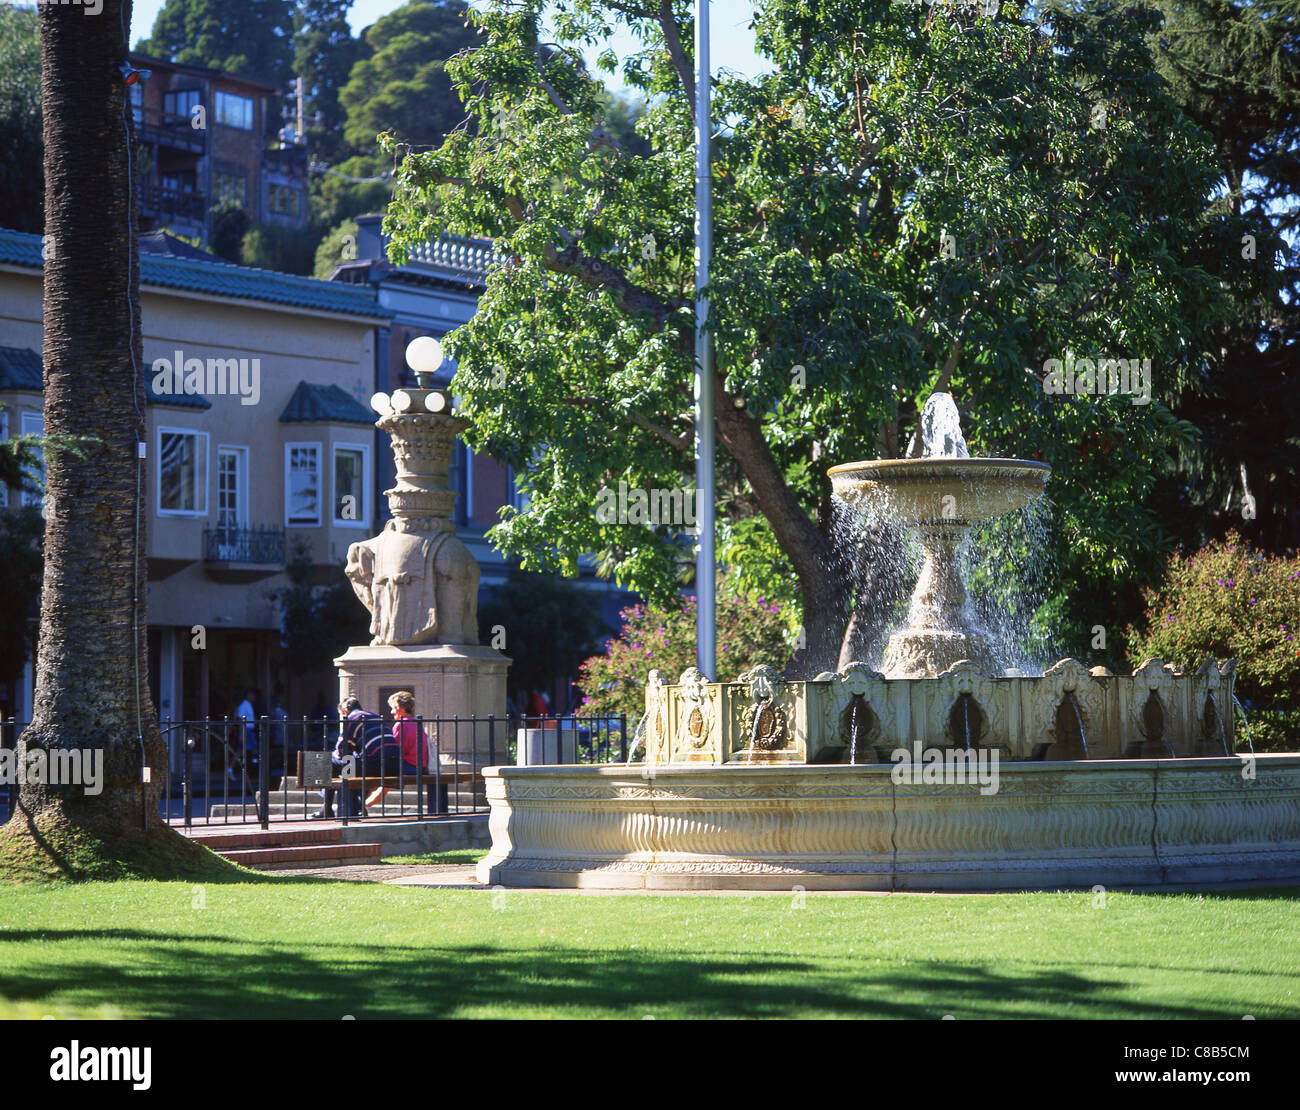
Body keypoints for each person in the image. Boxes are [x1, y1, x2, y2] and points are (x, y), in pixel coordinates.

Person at [310, 696, 385, 819]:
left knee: (325, 761)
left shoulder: (352, 719)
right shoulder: (375, 717)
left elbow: (341, 750)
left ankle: (327, 808)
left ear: (344, 712)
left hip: (369, 765)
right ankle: (359, 807)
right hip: (388, 765)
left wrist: (333, 755)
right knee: (349, 766)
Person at [365, 691, 432, 811]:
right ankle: (362, 806)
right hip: (419, 766)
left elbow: (396, 749)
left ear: (402, 708)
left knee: (371, 774)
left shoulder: (400, 724)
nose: (391, 712)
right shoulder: (416, 723)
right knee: (381, 783)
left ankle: (358, 807)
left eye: (393, 708)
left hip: (407, 767)